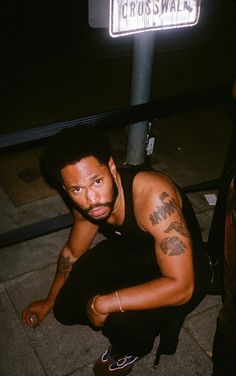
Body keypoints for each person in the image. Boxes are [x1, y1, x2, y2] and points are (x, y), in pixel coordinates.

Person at [22, 126, 211, 376]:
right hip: (130, 252)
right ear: (65, 188)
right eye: (76, 189)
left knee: (120, 319)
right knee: (66, 310)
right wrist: (49, 300)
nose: (92, 199)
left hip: (182, 271)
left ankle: (129, 349)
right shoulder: (86, 203)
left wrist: (105, 302)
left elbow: (182, 286)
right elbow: (72, 253)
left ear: (111, 168)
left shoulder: (153, 195)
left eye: (97, 181)